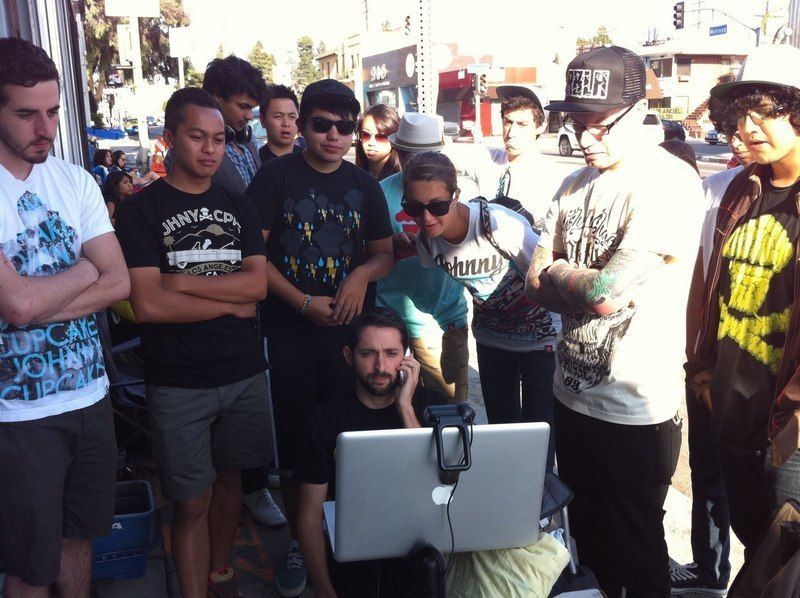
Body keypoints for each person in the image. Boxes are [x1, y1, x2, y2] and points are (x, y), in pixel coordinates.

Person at [526, 46, 704, 596]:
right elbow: (534, 287)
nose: (585, 139)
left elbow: (605, 296)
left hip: (634, 406)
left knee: (637, 551)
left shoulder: (665, 182)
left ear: (638, 111)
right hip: (571, 392)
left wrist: (560, 272)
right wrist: (564, 277)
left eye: (600, 125)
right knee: (590, 542)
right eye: (576, 124)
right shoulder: (572, 184)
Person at [115, 88, 274, 598]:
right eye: (197, 137)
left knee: (231, 482)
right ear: (170, 139)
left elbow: (258, 285)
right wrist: (228, 303)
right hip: (179, 381)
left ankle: (220, 570)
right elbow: (151, 306)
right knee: (190, 501)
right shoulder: (141, 212)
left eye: (219, 139)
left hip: (244, 373)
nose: (210, 149)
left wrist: (182, 282)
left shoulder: (238, 204)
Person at [245, 78, 394, 597]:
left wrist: (358, 276)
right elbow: (255, 261)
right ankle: (298, 540)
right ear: (302, 125)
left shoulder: (365, 184)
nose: (333, 136)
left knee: (354, 434)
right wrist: (303, 302)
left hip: (351, 336)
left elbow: (383, 253)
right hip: (290, 332)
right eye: (321, 125)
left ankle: (351, 531)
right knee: (298, 439)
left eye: (344, 127)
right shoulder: (273, 179)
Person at [0, 37, 130, 598]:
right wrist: (84, 270)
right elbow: (18, 306)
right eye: (26, 114)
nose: (45, 128)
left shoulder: (75, 180)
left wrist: (38, 296)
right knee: (29, 564)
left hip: (89, 397)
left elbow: (120, 282)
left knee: (81, 540)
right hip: (17, 415)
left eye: (53, 111)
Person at [686, 44, 800, 569]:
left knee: (786, 563)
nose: (750, 126)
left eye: (767, 109)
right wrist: (703, 375)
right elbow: (709, 290)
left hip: (788, 425)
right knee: (756, 547)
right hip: (730, 409)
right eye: (741, 113)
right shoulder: (736, 189)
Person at [409, 151, 558, 471]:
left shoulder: (496, 224)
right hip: (492, 339)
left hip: (540, 339)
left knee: (539, 439)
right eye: (414, 208)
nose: (426, 218)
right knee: (503, 437)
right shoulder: (427, 241)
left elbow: (548, 272)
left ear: (456, 195)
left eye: (437, 206)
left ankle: (543, 516)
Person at [295, 308, 447, 597]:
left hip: (423, 540)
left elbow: (438, 486)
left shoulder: (433, 406)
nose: (381, 366)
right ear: (348, 356)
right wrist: (325, 591)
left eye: (391, 353)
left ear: (407, 357)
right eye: (368, 354)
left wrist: (405, 407)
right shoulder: (326, 419)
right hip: (357, 544)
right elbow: (309, 516)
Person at [670, 99, 756, 594]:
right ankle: (710, 568)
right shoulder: (713, 192)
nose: (741, 135)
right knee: (709, 472)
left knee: (770, 502)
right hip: (711, 364)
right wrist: (696, 363)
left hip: (773, 384)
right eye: (732, 126)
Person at [202, 54, 285, 529]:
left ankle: (252, 476)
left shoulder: (245, 143)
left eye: (255, 108)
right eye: (243, 106)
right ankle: (247, 486)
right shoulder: (208, 149)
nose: (249, 116)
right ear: (215, 99)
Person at [377, 112, 469, 402]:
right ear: (398, 151)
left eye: (426, 154)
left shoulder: (458, 193)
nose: (416, 162)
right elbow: (364, 248)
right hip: (390, 315)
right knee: (387, 411)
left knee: (450, 412)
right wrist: (389, 244)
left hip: (444, 317)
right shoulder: (380, 192)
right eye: (408, 155)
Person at [495, 85, 563, 229]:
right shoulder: (488, 158)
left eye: (522, 124)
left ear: (541, 126)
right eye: (508, 122)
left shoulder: (552, 178)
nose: (511, 133)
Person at [201, 55, 267, 195]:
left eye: (252, 108)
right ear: (217, 96)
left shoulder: (248, 139)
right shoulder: (193, 147)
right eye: (243, 106)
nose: (249, 116)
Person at [355, 103, 401, 181]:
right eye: (365, 135)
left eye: (381, 137)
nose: (371, 143)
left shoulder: (402, 181)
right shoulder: (353, 176)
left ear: (394, 138)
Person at [258, 83, 302, 163]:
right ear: (262, 121)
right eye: (278, 116)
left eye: (292, 117)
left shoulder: (311, 160)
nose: (286, 123)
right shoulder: (255, 163)